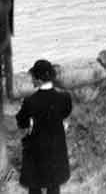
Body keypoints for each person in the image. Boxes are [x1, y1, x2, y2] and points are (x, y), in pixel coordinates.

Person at [15, 58, 72, 194]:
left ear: (39, 80)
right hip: (56, 146)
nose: (32, 80)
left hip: (37, 149)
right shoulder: (64, 97)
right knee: (54, 183)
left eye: (33, 78)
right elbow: (65, 113)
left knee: (34, 184)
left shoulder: (30, 101)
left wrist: (30, 123)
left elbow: (21, 122)